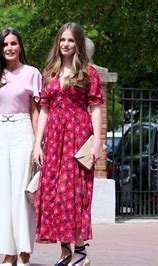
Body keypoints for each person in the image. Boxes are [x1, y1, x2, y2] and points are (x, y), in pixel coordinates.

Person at [32, 22, 103, 266]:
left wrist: (97, 143)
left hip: (77, 136)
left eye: (71, 40)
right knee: (54, 193)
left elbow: (95, 107)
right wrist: (37, 144)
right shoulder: (50, 71)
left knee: (74, 192)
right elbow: (43, 109)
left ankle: (81, 250)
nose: (66, 44)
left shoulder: (88, 73)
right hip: (53, 139)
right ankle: (65, 251)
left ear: (78, 44)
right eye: (63, 39)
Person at [0, 28, 40, 266]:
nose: (10, 48)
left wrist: (37, 144)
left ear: (20, 46)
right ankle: (8, 253)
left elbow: (36, 112)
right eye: (5, 44)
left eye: (14, 43)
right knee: (2, 195)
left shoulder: (32, 73)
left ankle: (24, 251)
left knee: (21, 194)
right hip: (1, 134)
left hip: (23, 131)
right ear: (0, 49)